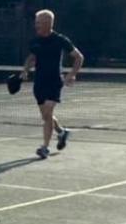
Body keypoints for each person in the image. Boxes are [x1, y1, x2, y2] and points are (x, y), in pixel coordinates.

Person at [20, 9, 84, 159]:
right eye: (36, 23)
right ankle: (62, 132)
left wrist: (72, 74)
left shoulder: (60, 40)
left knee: (47, 114)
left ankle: (44, 148)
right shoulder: (35, 41)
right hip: (39, 83)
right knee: (46, 116)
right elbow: (32, 57)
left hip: (54, 82)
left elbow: (79, 57)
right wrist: (25, 70)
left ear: (48, 23)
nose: (36, 26)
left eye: (39, 23)